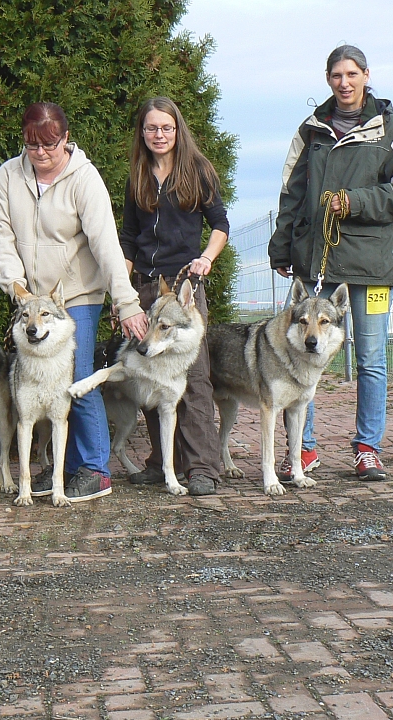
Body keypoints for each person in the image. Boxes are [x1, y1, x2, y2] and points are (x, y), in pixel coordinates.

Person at [269, 45, 393, 482]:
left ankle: (368, 447)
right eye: (336, 75)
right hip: (320, 259)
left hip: (373, 265)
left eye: (352, 74)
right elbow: (291, 193)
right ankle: (305, 450)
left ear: (366, 75)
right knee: (301, 356)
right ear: (328, 78)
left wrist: (353, 202)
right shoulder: (311, 130)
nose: (344, 82)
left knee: (372, 358)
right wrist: (282, 246)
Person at [0, 102, 147, 502]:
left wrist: (125, 301)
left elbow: (106, 244)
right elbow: (0, 236)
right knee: (41, 383)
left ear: (65, 138)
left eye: (49, 145)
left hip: (77, 293)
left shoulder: (84, 178)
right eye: (31, 145)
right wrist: (16, 287)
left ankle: (95, 470)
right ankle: (68, 468)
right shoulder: (9, 174)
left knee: (77, 376)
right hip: (30, 300)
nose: (40, 153)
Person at [118, 97, 229, 497]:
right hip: (146, 288)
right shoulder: (137, 176)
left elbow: (220, 224)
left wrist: (206, 258)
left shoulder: (197, 171)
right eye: (151, 128)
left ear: (177, 129)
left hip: (184, 289)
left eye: (166, 127)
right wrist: (122, 290)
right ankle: (163, 462)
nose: (159, 135)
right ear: (142, 133)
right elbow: (128, 238)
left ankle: (203, 467)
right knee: (150, 375)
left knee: (195, 378)